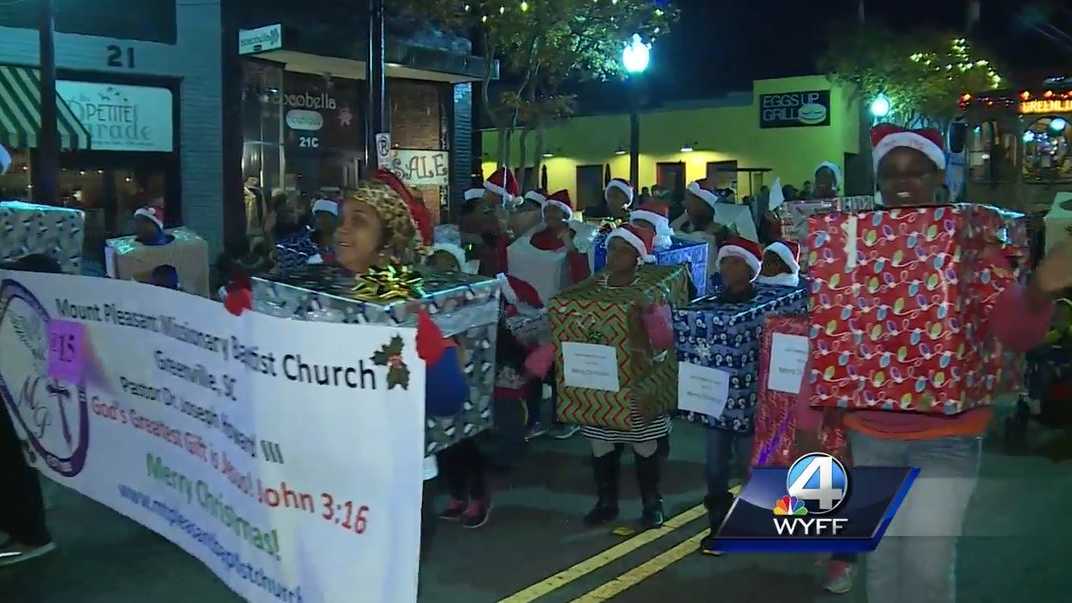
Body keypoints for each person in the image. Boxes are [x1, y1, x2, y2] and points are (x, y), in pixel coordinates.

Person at [792, 123, 1072, 602]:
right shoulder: (852, 245)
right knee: (882, 565)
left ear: (940, 176)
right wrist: (806, 416)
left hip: (947, 438)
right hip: (871, 433)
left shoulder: (971, 243)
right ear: (877, 182)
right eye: (890, 173)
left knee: (925, 568)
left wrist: (1038, 293)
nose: (904, 182)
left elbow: (1016, 332)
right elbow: (832, 332)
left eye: (917, 170)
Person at [579, 224, 673, 530]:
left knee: (644, 444)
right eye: (611, 247)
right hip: (601, 383)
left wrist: (651, 314)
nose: (613, 254)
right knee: (600, 444)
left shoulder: (651, 291)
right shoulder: (591, 289)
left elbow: (664, 340)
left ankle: (652, 503)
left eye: (622, 248)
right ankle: (606, 503)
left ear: (637, 256)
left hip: (638, 382)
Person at [0, 254, 60, 567]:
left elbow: (67, 372)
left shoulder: (60, 313)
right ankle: (25, 528)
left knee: (13, 464)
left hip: (25, 404)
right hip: (19, 400)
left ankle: (31, 535)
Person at [671, 180, 729, 272]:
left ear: (700, 205)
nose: (683, 203)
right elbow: (669, 233)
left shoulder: (717, 232)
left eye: (687, 201)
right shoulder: (685, 224)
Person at [275, 198, 339, 271]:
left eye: (325, 217)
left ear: (337, 220)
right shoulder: (302, 242)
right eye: (317, 216)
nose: (319, 220)